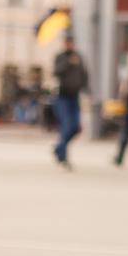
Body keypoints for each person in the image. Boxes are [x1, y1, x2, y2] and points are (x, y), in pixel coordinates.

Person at [52, 34, 89, 168]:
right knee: (66, 126)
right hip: (63, 97)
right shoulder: (61, 57)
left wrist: (87, 91)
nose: (70, 45)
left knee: (76, 128)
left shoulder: (78, 57)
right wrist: (68, 62)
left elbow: (84, 75)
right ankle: (63, 156)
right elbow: (56, 72)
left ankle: (59, 148)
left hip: (75, 96)